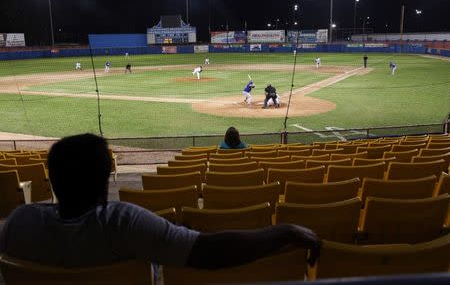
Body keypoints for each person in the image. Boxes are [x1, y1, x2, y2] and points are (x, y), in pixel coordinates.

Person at [0, 133, 321, 269]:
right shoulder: (124, 223)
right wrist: (284, 231)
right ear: (104, 182)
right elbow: (209, 252)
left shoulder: (19, 222)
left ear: (51, 181)